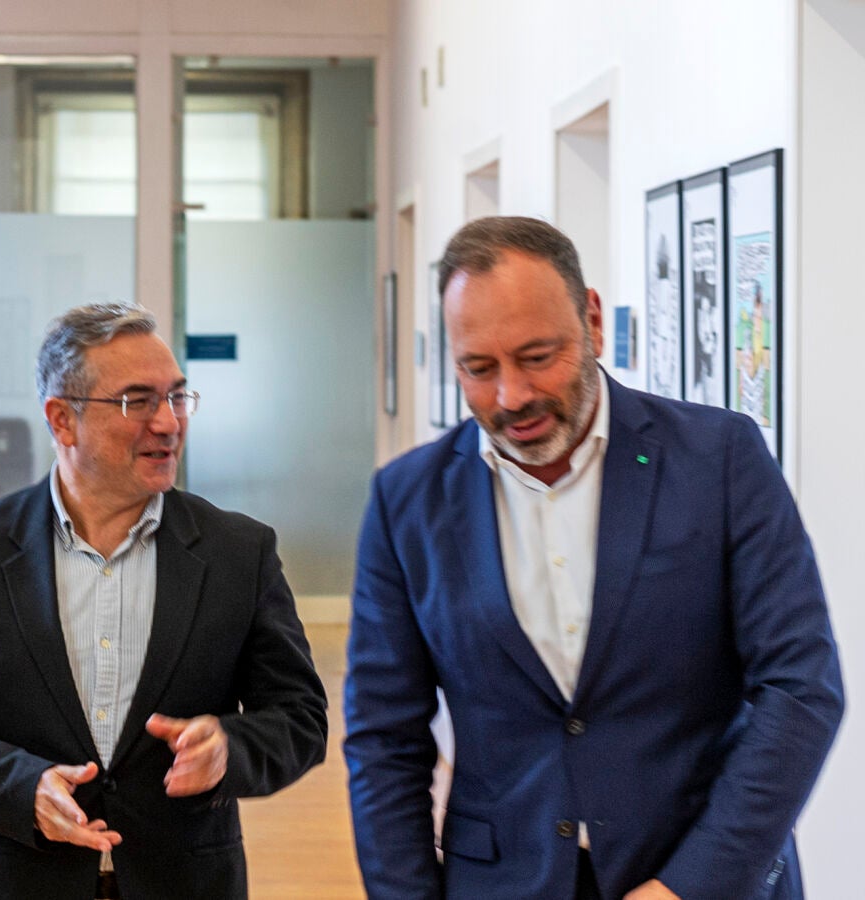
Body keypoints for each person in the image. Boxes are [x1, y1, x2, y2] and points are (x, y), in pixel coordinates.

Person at [343, 216, 844, 900]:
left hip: (702, 872)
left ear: (594, 322)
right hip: (504, 881)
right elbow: (383, 739)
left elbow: (801, 688)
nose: (511, 396)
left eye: (537, 356)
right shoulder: (407, 501)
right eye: (479, 369)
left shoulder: (720, 459)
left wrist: (691, 886)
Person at [0, 302, 327, 900]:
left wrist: (230, 750)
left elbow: (300, 719)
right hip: (18, 882)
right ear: (62, 420)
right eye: (137, 401)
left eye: (177, 397)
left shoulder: (239, 553)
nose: (168, 422)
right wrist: (21, 789)